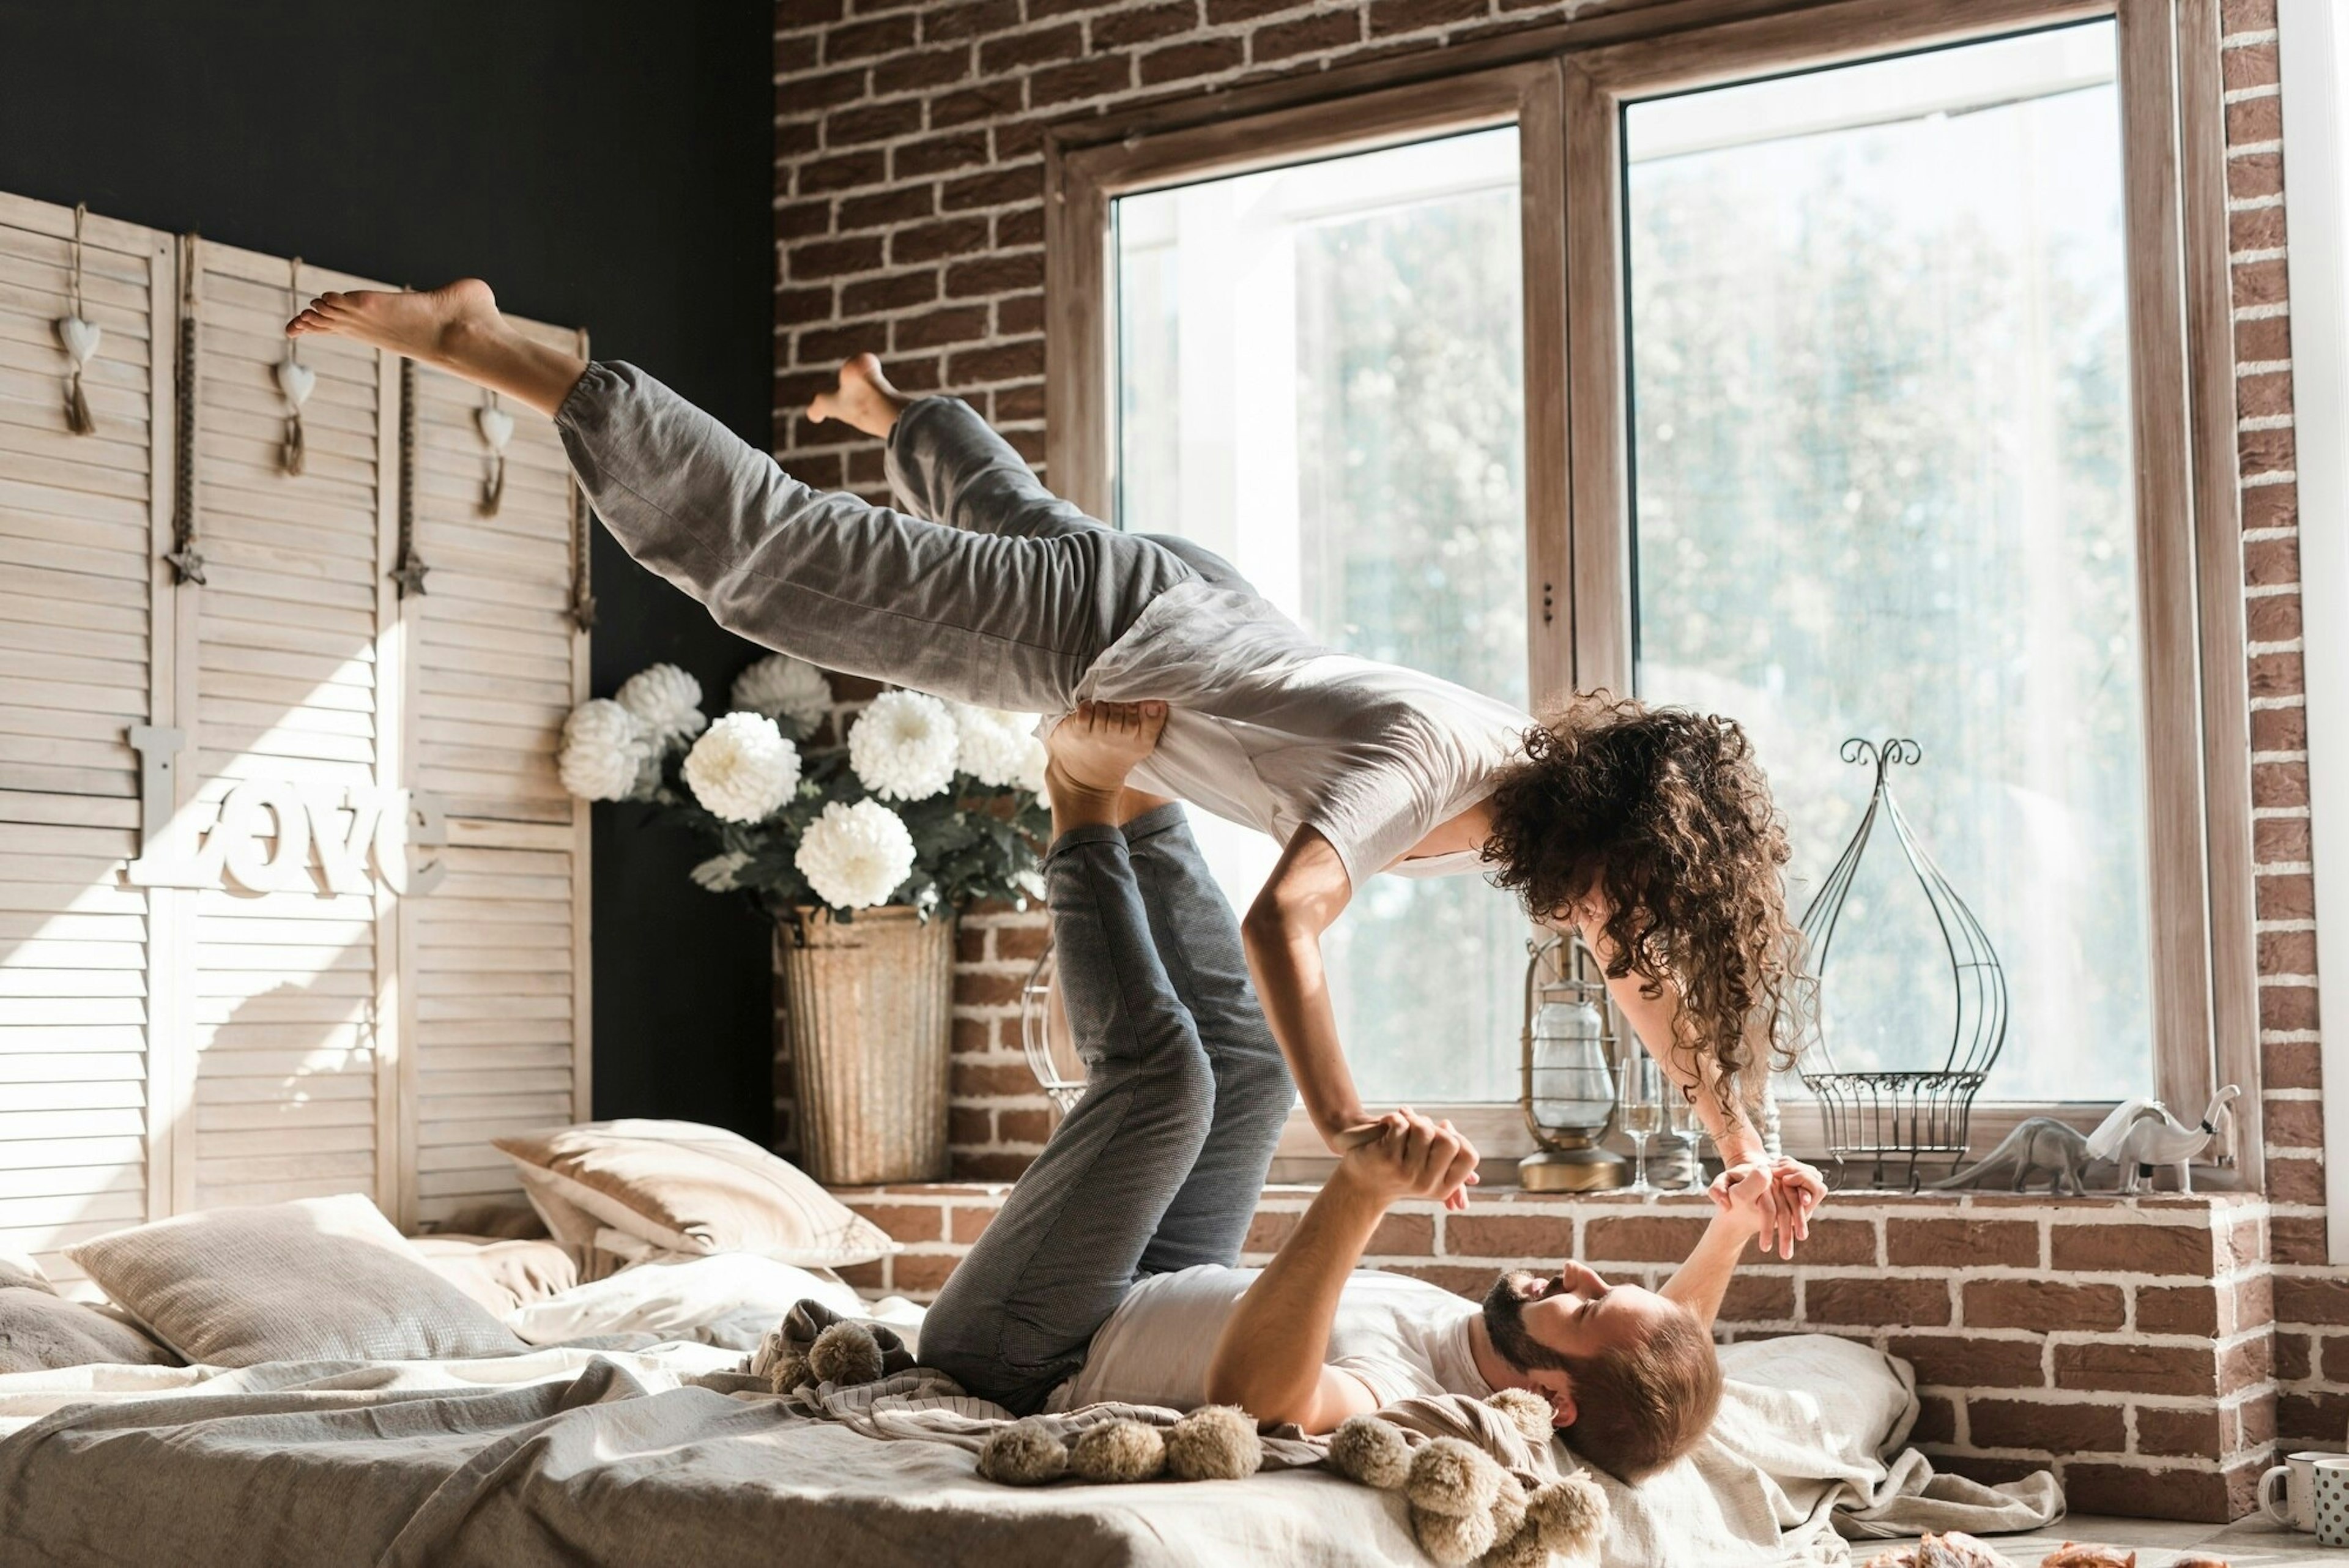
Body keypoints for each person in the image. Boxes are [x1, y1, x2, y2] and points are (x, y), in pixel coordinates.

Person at [284, 281, 1824, 1245]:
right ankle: (494, 341)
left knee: (1008, 511)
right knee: (774, 564)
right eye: (1627, 912)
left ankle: (893, 408)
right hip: (1104, 638)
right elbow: (1283, 926)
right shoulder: (1427, 768)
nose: (1613, 946)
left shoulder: (1520, 793)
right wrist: (1347, 1121)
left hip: (1174, 601)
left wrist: (1740, 1142)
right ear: (1614, 838)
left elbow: (1648, 981)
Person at [917, 697, 1761, 1482]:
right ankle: (1146, 800)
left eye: (1582, 1307)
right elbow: (1659, 1352)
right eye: (1605, 1285)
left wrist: (1360, 1190)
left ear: (1551, 1401)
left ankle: (1081, 796)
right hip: (1153, 1283)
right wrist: (1731, 1222)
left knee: (1166, 1082)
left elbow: (1254, 1402)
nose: (1579, 1272)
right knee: (1254, 1069)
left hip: (1029, 1348)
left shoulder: (1410, 1401)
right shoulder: (1544, 1357)